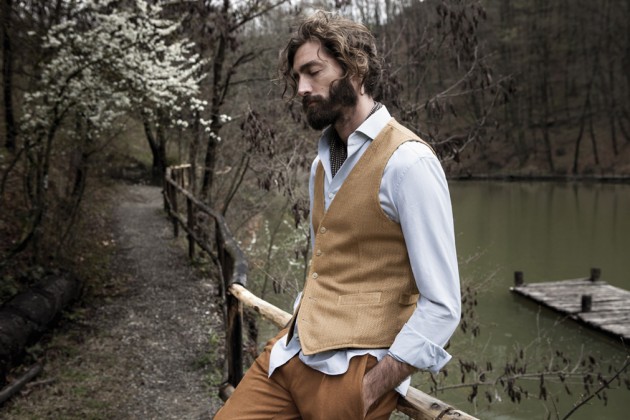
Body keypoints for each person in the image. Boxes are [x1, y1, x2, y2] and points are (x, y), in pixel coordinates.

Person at [215, 10, 460, 419]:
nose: (301, 88)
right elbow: (325, 265)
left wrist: (371, 387)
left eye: (313, 72)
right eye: (297, 77)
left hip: (351, 373)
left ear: (355, 68)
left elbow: (443, 305)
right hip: (290, 353)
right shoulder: (321, 164)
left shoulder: (408, 162)